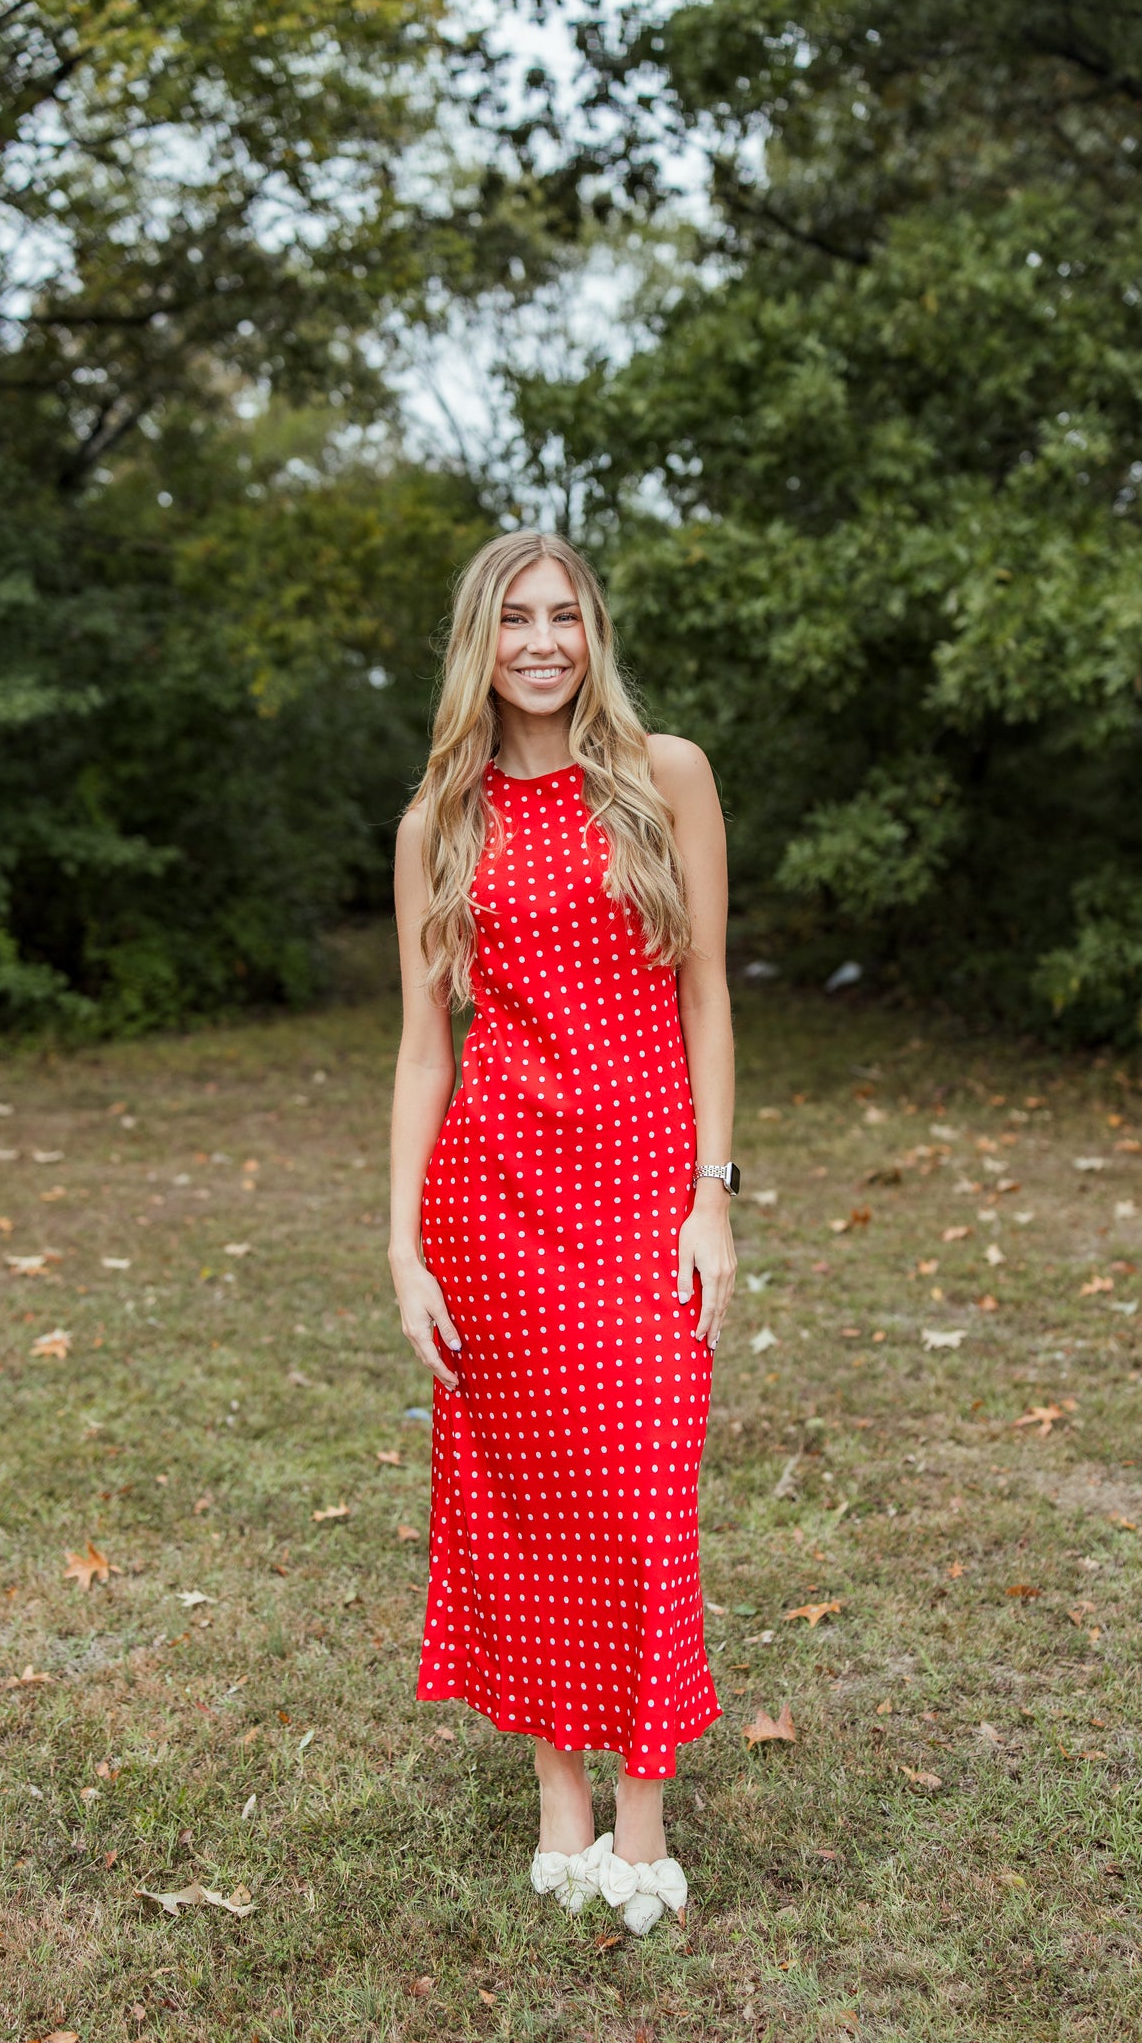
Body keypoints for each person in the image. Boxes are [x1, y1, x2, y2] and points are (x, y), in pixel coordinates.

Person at [388, 530, 738, 1935]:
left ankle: (642, 1817)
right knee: (527, 1503)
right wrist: (403, 1249)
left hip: (645, 1190)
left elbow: (707, 993)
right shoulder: (438, 823)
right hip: (495, 1202)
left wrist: (714, 1193)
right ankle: (561, 1805)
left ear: (594, 634)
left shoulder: (666, 775)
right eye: (515, 620)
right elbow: (425, 1047)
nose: (542, 643)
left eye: (565, 617)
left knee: (644, 1497)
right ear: (480, 644)